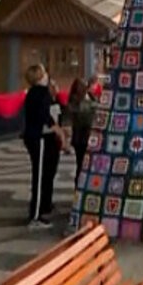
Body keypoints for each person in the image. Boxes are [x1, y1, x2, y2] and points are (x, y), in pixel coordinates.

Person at [22, 64, 64, 229]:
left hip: (34, 137)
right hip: (38, 137)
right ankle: (35, 215)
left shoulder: (34, 93)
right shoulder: (40, 93)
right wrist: (57, 130)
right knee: (39, 176)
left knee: (41, 174)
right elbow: (44, 116)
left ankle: (40, 209)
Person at [66, 77, 96, 186]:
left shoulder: (91, 96)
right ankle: (79, 186)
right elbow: (82, 113)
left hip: (91, 136)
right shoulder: (75, 101)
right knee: (81, 163)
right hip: (81, 137)